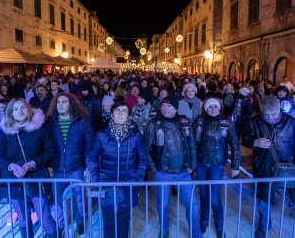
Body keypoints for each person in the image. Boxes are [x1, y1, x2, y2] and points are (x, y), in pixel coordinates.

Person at [0, 98, 57, 238]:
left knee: (45, 219)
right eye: (15, 109)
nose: (19, 111)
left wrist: (33, 163)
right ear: (10, 112)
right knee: (23, 218)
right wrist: (11, 166)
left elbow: (50, 150)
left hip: (37, 178)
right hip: (14, 180)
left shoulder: (39, 127)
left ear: (28, 109)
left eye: (22, 108)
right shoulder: (5, 131)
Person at [87, 101, 147, 238]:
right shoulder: (102, 135)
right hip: (107, 185)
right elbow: (91, 158)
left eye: (124, 111)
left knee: (123, 222)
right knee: (108, 222)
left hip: (128, 184)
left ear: (128, 115)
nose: (121, 114)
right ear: (112, 114)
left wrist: (137, 179)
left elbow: (143, 159)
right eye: (117, 111)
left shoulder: (135, 135)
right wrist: (96, 179)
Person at [144, 95, 201, 238]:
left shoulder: (184, 122)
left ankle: (196, 233)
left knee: (192, 204)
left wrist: (192, 166)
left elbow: (192, 145)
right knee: (162, 205)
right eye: (163, 105)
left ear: (175, 108)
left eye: (169, 106)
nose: (165, 108)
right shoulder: (153, 123)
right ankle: (164, 230)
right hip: (162, 172)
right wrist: (155, 171)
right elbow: (146, 150)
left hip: (183, 172)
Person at [245, 95, 295, 238]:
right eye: (266, 114)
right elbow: (245, 138)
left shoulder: (291, 123)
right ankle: (264, 225)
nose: (270, 117)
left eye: (273, 114)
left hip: (286, 168)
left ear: (280, 109)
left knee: (289, 196)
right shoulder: (254, 122)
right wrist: (254, 143)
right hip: (263, 167)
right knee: (263, 200)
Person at [46, 92, 94, 236]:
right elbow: (45, 145)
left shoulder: (83, 122)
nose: (60, 104)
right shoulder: (49, 123)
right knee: (58, 200)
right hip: (57, 169)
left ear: (71, 104)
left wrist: (87, 167)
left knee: (79, 198)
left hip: (76, 168)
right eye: (58, 102)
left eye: (64, 102)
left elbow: (89, 146)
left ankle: (79, 222)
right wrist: (48, 165)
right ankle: (61, 225)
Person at [194, 98, 240, 237]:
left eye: (215, 106)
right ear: (205, 109)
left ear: (219, 108)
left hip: (217, 165)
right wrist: (191, 163)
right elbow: (194, 143)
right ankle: (204, 220)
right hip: (201, 163)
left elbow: (235, 144)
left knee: (214, 197)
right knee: (203, 194)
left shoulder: (227, 122)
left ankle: (219, 225)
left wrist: (235, 165)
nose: (212, 109)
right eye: (209, 107)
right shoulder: (200, 121)